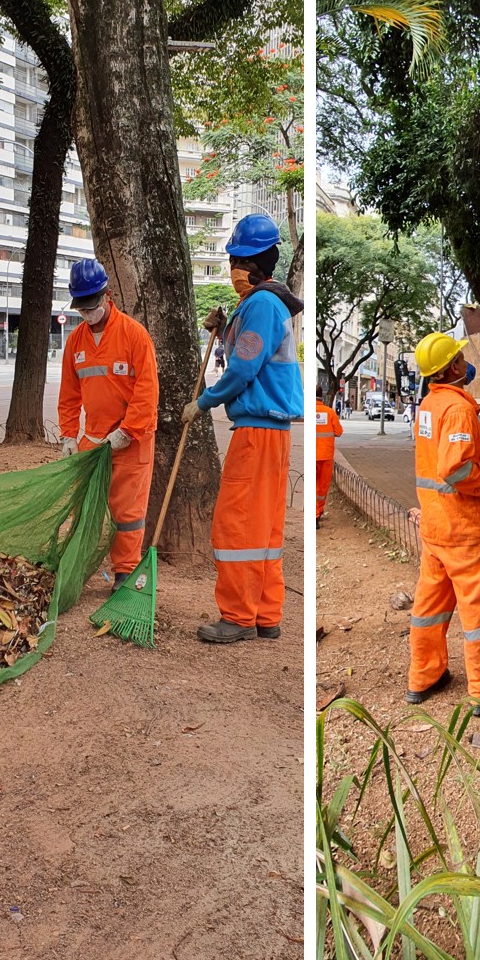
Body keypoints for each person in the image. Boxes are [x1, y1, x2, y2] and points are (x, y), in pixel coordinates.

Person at [188, 213, 303, 643]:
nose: (232, 268)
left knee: (235, 525)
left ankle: (237, 616)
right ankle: (266, 615)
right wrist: (222, 329)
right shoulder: (262, 305)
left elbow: (242, 370)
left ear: (254, 263)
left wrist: (202, 403)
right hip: (272, 433)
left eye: (236, 259)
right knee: (266, 530)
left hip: (255, 433)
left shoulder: (260, 304)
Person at [405, 332, 480, 715]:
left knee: (429, 607)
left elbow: (443, 451)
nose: (465, 363)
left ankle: (424, 677)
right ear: (451, 367)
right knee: (475, 614)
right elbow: (455, 468)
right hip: (464, 529)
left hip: (435, 526)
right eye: (460, 358)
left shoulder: (430, 405)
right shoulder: (458, 409)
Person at [57, 258, 160, 584]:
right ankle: (84, 563)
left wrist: (127, 431)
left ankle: (125, 572)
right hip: (95, 438)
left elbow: (147, 391)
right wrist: (69, 435)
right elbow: (69, 394)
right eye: (82, 307)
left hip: (132, 439)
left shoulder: (134, 335)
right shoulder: (75, 341)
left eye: (93, 304)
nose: (88, 313)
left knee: (127, 512)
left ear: (107, 295)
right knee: (86, 505)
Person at [314, 393, 342, 525]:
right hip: (325, 455)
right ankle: (316, 513)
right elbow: (339, 431)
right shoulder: (329, 412)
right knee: (322, 486)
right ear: (322, 397)